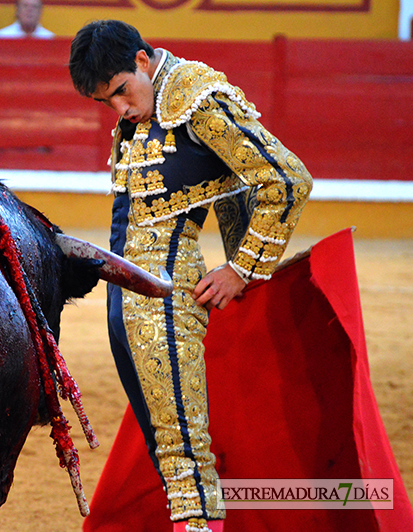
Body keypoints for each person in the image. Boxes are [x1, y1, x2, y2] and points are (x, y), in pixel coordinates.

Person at [68, 20, 312, 532]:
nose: (122, 109)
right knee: (168, 444)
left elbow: (288, 178)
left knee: (182, 448)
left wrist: (242, 268)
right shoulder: (148, 107)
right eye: (107, 103)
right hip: (130, 299)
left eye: (121, 93)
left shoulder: (199, 100)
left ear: (141, 61)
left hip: (169, 295)